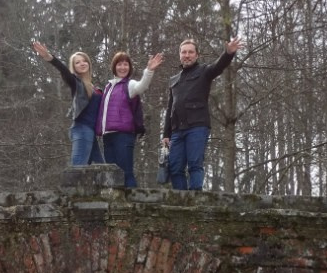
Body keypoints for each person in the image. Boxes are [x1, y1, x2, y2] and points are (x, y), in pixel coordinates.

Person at [162, 36, 243, 190]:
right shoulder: (174, 80)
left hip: (197, 127)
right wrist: (166, 134)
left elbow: (218, 66)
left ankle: (195, 201)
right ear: (180, 55)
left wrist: (228, 53)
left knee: (194, 164)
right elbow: (169, 108)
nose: (187, 55)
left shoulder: (204, 71)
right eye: (184, 52)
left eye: (190, 52)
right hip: (177, 131)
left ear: (196, 55)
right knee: (174, 167)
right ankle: (181, 200)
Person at [98, 49, 164, 188]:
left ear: (129, 67)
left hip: (123, 135)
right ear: (114, 67)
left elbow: (142, 86)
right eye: (119, 64)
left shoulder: (130, 84)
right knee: (112, 174)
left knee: (125, 173)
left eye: (125, 64)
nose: (123, 67)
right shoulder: (108, 87)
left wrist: (149, 71)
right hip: (107, 136)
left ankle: (133, 204)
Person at [33, 40, 102, 165]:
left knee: (102, 172)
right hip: (82, 129)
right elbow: (64, 71)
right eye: (77, 62)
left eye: (84, 60)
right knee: (77, 169)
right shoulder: (76, 83)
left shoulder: (95, 88)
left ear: (89, 63)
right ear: (74, 67)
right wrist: (49, 57)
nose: (82, 63)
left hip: (91, 132)